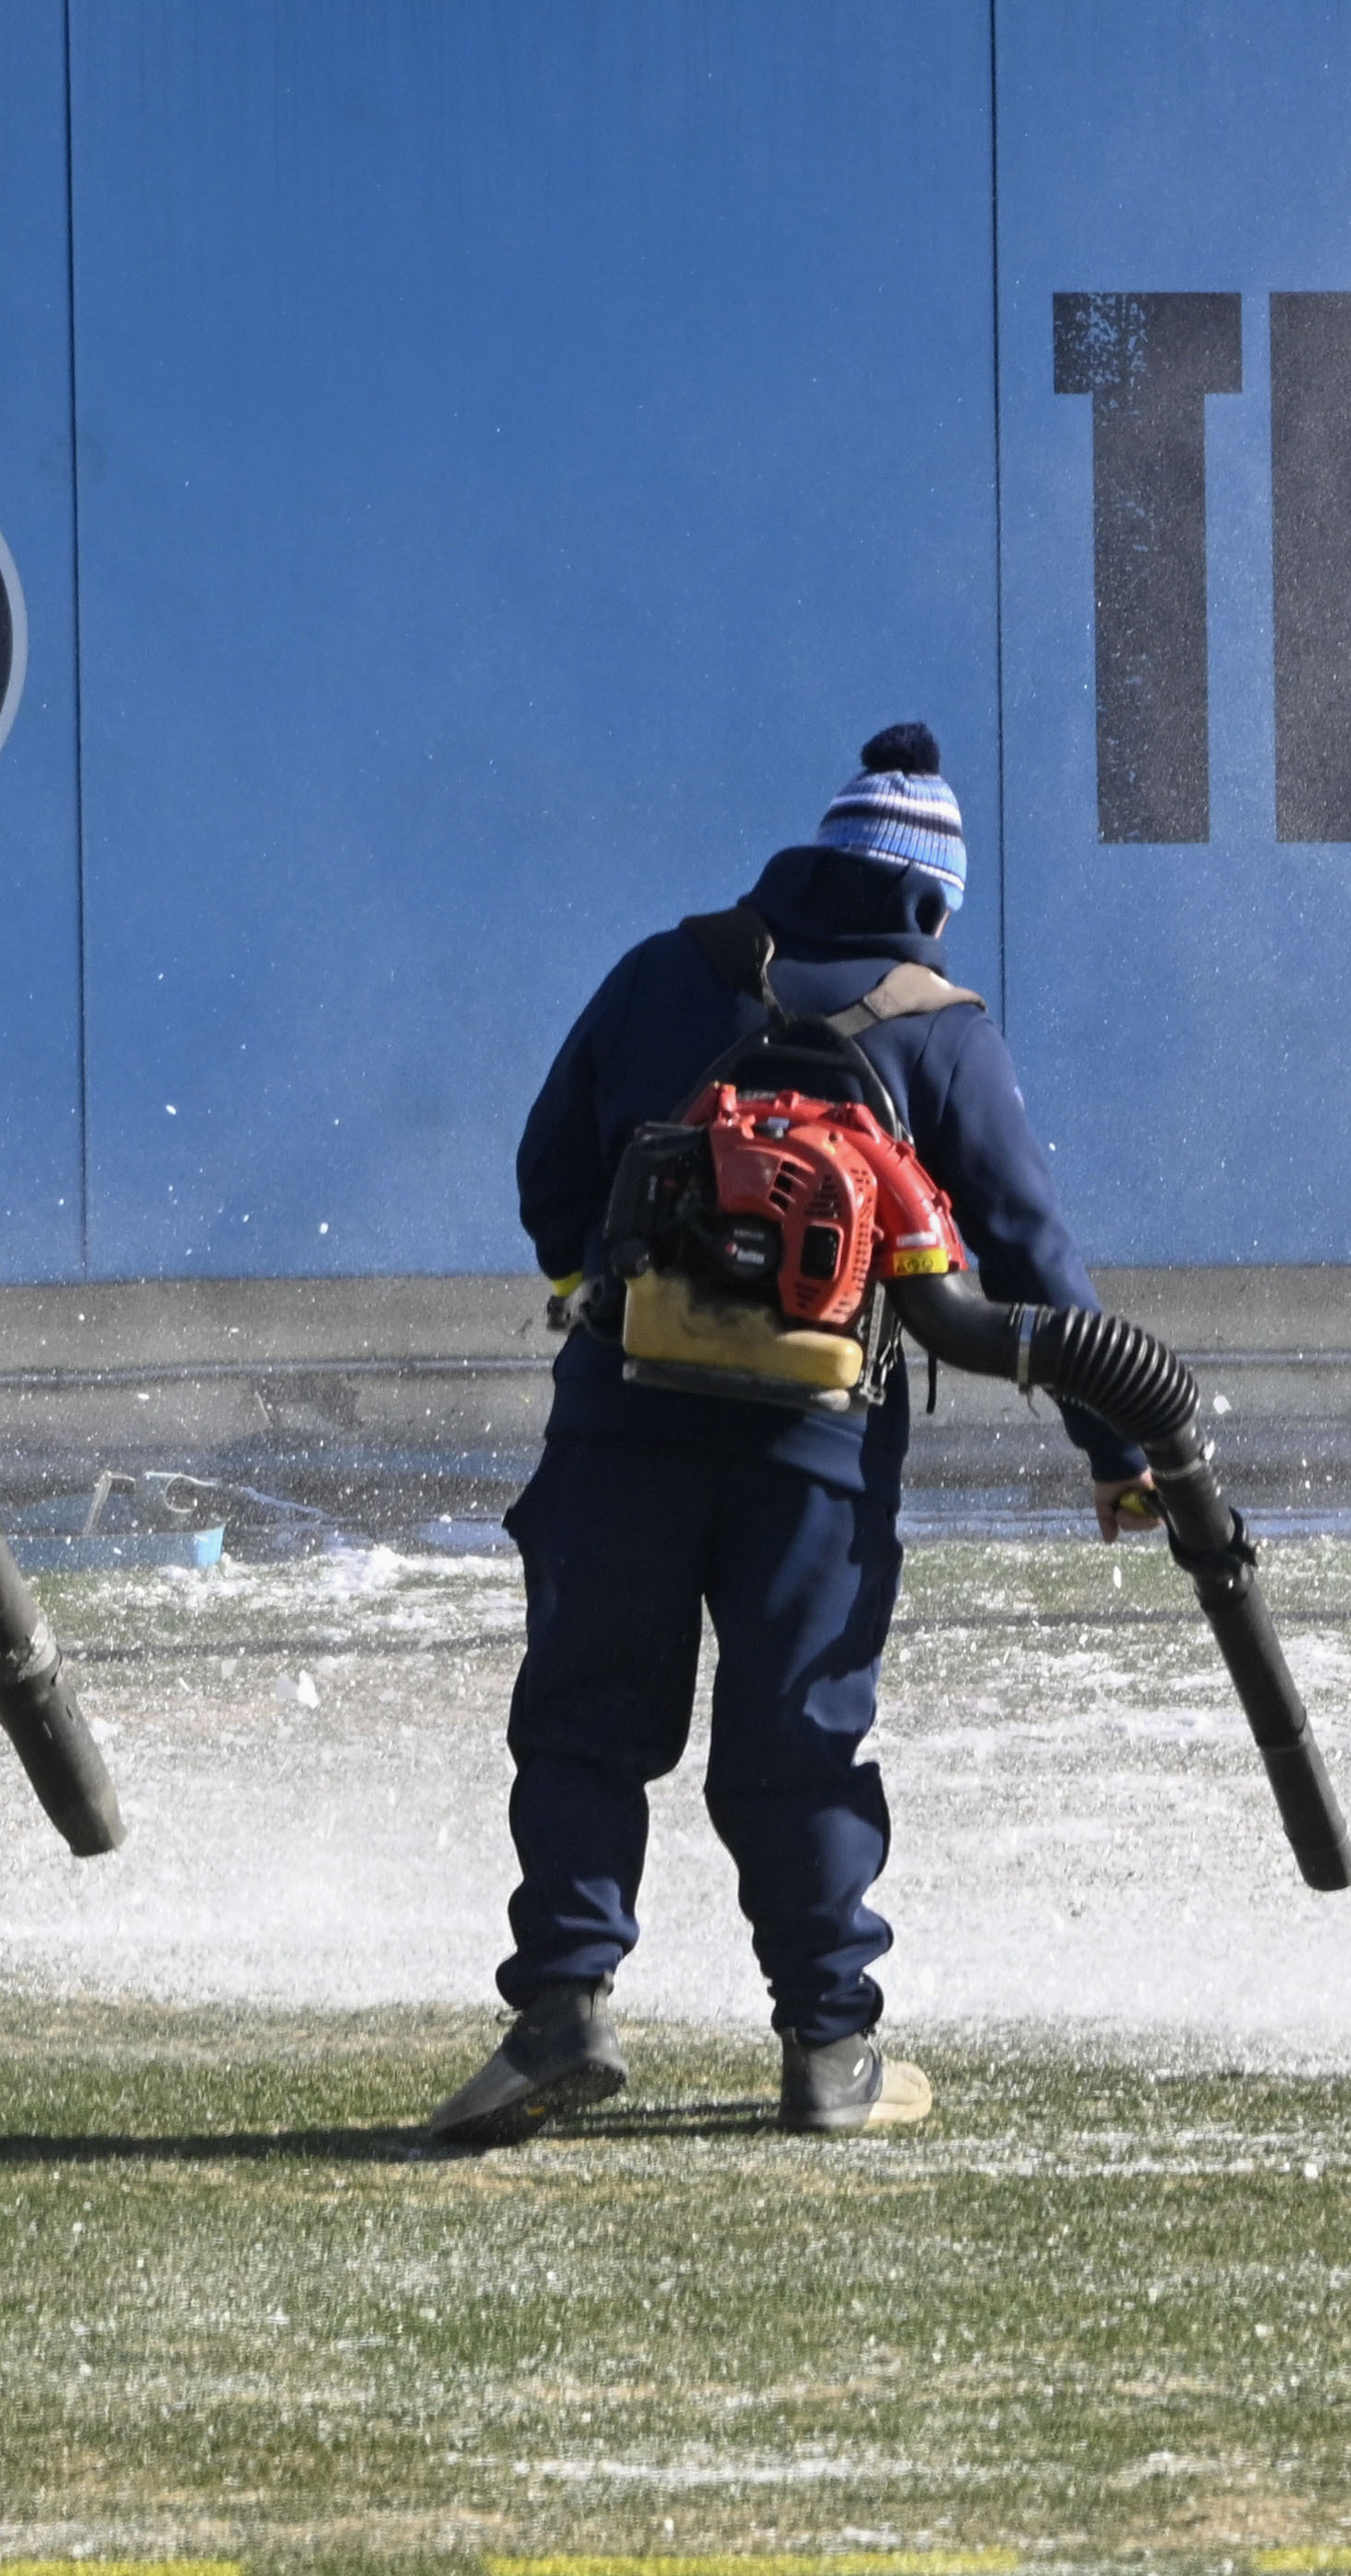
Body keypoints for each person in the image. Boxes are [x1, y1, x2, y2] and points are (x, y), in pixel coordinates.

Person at [428, 726, 1130, 2148]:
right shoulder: (940, 1027)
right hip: (814, 1451)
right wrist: (1118, 1452)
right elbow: (1035, 1264)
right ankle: (826, 2050)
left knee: (583, 1721)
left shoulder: (661, 972)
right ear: (929, 900)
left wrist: (592, 1292)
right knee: (797, 1740)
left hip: (620, 1423)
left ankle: (563, 2007)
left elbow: (546, 1161)